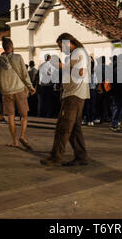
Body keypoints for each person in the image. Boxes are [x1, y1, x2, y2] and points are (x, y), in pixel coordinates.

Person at [41, 33, 90, 167]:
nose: (61, 50)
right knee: (74, 128)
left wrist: (61, 66)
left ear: (67, 42)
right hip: (77, 94)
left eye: (60, 46)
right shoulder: (79, 53)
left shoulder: (78, 53)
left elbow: (80, 72)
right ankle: (81, 156)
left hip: (73, 96)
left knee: (63, 127)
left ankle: (55, 157)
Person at [0, 37, 36, 149]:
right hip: (19, 90)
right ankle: (22, 136)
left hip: (7, 92)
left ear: (3, 47)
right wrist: (30, 87)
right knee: (24, 115)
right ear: (12, 46)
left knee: (11, 117)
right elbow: (24, 74)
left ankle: (14, 141)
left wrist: (1, 88)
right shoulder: (18, 57)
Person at [110, 54, 122, 132]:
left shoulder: (116, 67)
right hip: (119, 89)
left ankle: (115, 123)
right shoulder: (119, 68)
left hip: (117, 89)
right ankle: (114, 124)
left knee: (118, 107)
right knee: (118, 107)